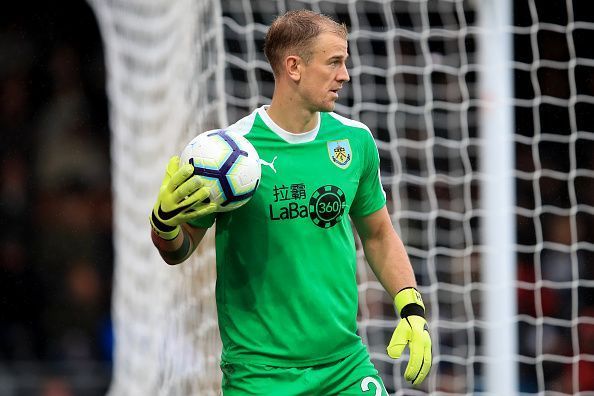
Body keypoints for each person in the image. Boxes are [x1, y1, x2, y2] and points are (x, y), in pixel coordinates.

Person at [149, 9, 431, 395]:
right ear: (294, 66)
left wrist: (411, 307)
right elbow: (178, 251)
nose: (345, 75)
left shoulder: (355, 141)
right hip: (260, 374)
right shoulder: (227, 155)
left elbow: (379, 234)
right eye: (334, 62)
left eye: (344, 62)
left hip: (343, 366)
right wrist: (163, 224)